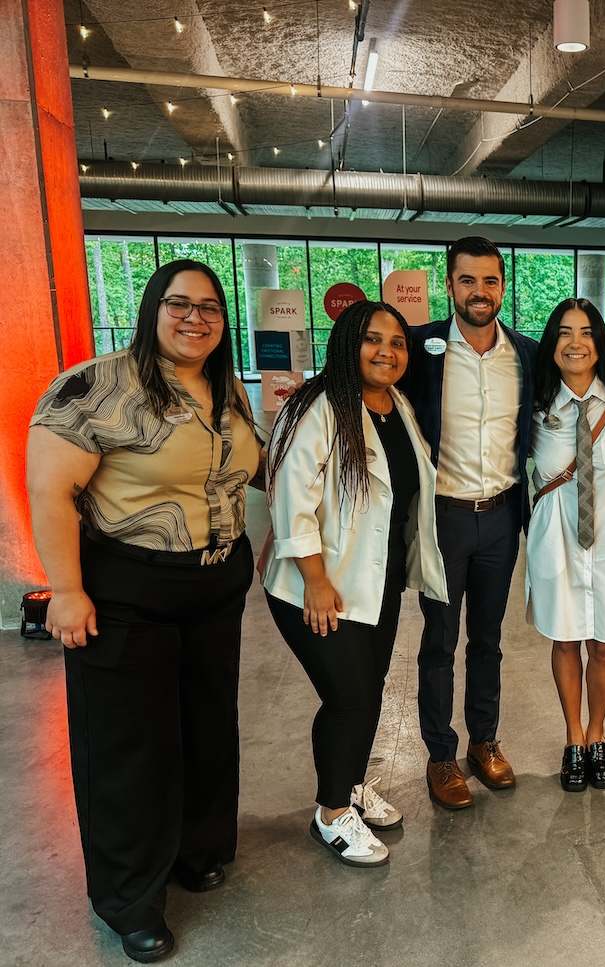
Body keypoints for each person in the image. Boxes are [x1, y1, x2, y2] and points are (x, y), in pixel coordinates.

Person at [26, 260, 260, 963]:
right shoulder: (96, 386)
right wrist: (66, 590)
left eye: (210, 307)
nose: (195, 318)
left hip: (214, 586)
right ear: (151, 308)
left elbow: (243, 472)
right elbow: (50, 491)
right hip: (128, 591)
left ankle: (197, 851)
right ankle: (131, 898)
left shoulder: (225, 387)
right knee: (129, 747)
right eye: (179, 304)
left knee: (206, 728)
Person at [262, 301, 448, 867]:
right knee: (351, 697)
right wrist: (315, 581)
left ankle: (349, 785)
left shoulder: (397, 406)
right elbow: (290, 499)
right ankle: (332, 813)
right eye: (372, 339)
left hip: (377, 581)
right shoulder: (316, 407)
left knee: (368, 688)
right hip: (317, 587)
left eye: (397, 342)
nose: (386, 351)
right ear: (347, 343)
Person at [402, 236, 538, 809]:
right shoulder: (418, 347)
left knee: (488, 639)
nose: (479, 292)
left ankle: (484, 741)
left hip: (502, 518)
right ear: (449, 285)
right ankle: (441, 754)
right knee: (439, 640)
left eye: (489, 281)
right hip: (443, 518)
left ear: (502, 286)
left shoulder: (527, 354)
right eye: (467, 280)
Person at [526, 298, 605, 792]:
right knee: (565, 638)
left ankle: (598, 734)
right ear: (551, 343)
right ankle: (573, 738)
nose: (575, 343)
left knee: (604, 643)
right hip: (557, 535)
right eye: (564, 333)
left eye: (585, 332)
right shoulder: (535, 401)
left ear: (600, 341)